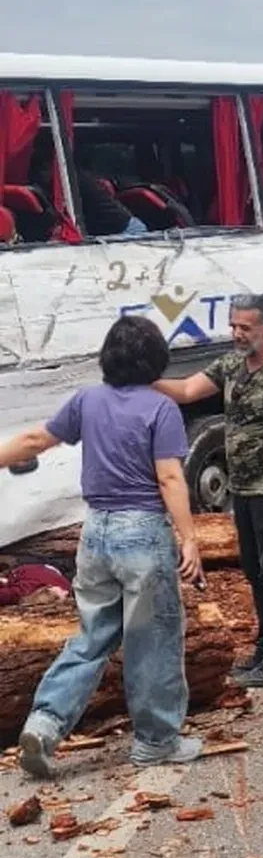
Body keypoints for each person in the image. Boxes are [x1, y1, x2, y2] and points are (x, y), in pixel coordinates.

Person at [0, 316, 204, 776]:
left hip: (95, 534)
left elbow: (36, 441)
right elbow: (169, 476)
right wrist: (189, 538)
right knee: (152, 639)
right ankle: (156, 742)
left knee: (92, 637)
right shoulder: (160, 409)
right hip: (143, 534)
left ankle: (46, 722)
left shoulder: (87, 400)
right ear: (155, 361)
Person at [156, 293, 263, 688]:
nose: (237, 334)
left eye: (245, 327)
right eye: (233, 326)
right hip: (242, 489)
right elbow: (189, 390)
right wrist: (142, 381)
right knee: (254, 570)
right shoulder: (232, 365)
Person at [0, 560, 73, 606]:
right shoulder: (66, 587)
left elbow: (6, 594)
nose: (66, 592)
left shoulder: (20, 591)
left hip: (30, 567)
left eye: (57, 597)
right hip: (47, 566)